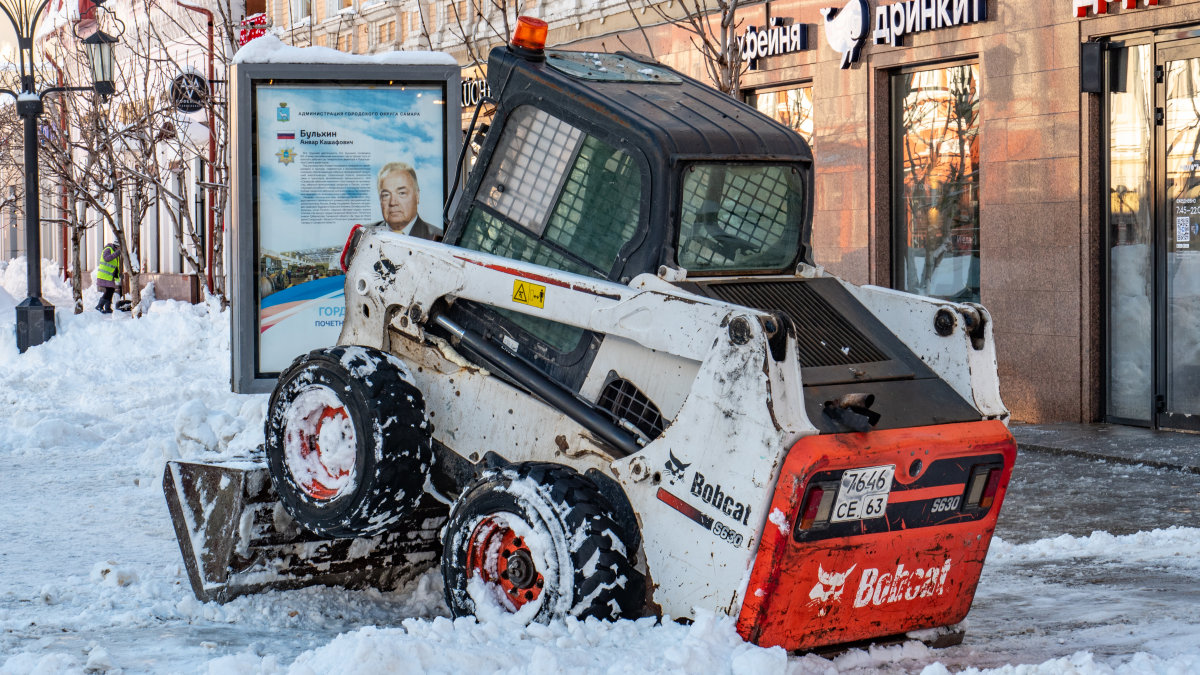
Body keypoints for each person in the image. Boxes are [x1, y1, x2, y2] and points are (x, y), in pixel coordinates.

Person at [372, 162, 442, 240]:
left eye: (402, 193)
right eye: (386, 195)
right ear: (380, 199)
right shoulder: (363, 235)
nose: (393, 202)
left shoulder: (439, 239)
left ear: (417, 196)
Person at [95, 241, 121, 314]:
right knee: (109, 290)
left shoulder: (113, 250)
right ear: (116, 246)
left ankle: (107, 307)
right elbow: (106, 258)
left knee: (111, 290)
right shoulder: (108, 249)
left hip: (109, 276)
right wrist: (116, 254)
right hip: (104, 275)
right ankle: (99, 306)